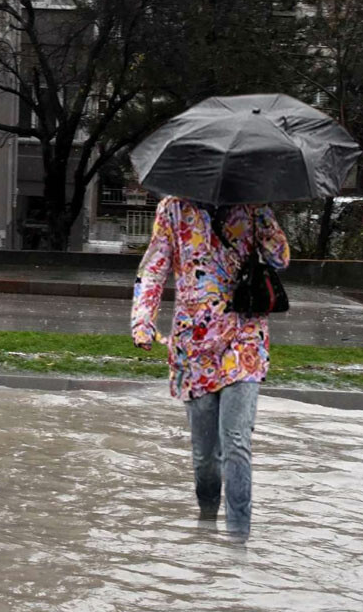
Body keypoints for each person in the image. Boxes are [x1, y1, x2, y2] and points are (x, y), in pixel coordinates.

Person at [130, 196, 289, 539]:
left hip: (244, 336)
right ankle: (206, 526)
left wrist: (261, 213)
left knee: (235, 440)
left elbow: (281, 258)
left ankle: (237, 543)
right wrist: (142, 320)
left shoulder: (249, 202)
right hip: (194, 344)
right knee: (204, 458)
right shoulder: (172, 208)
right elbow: (155, 267)